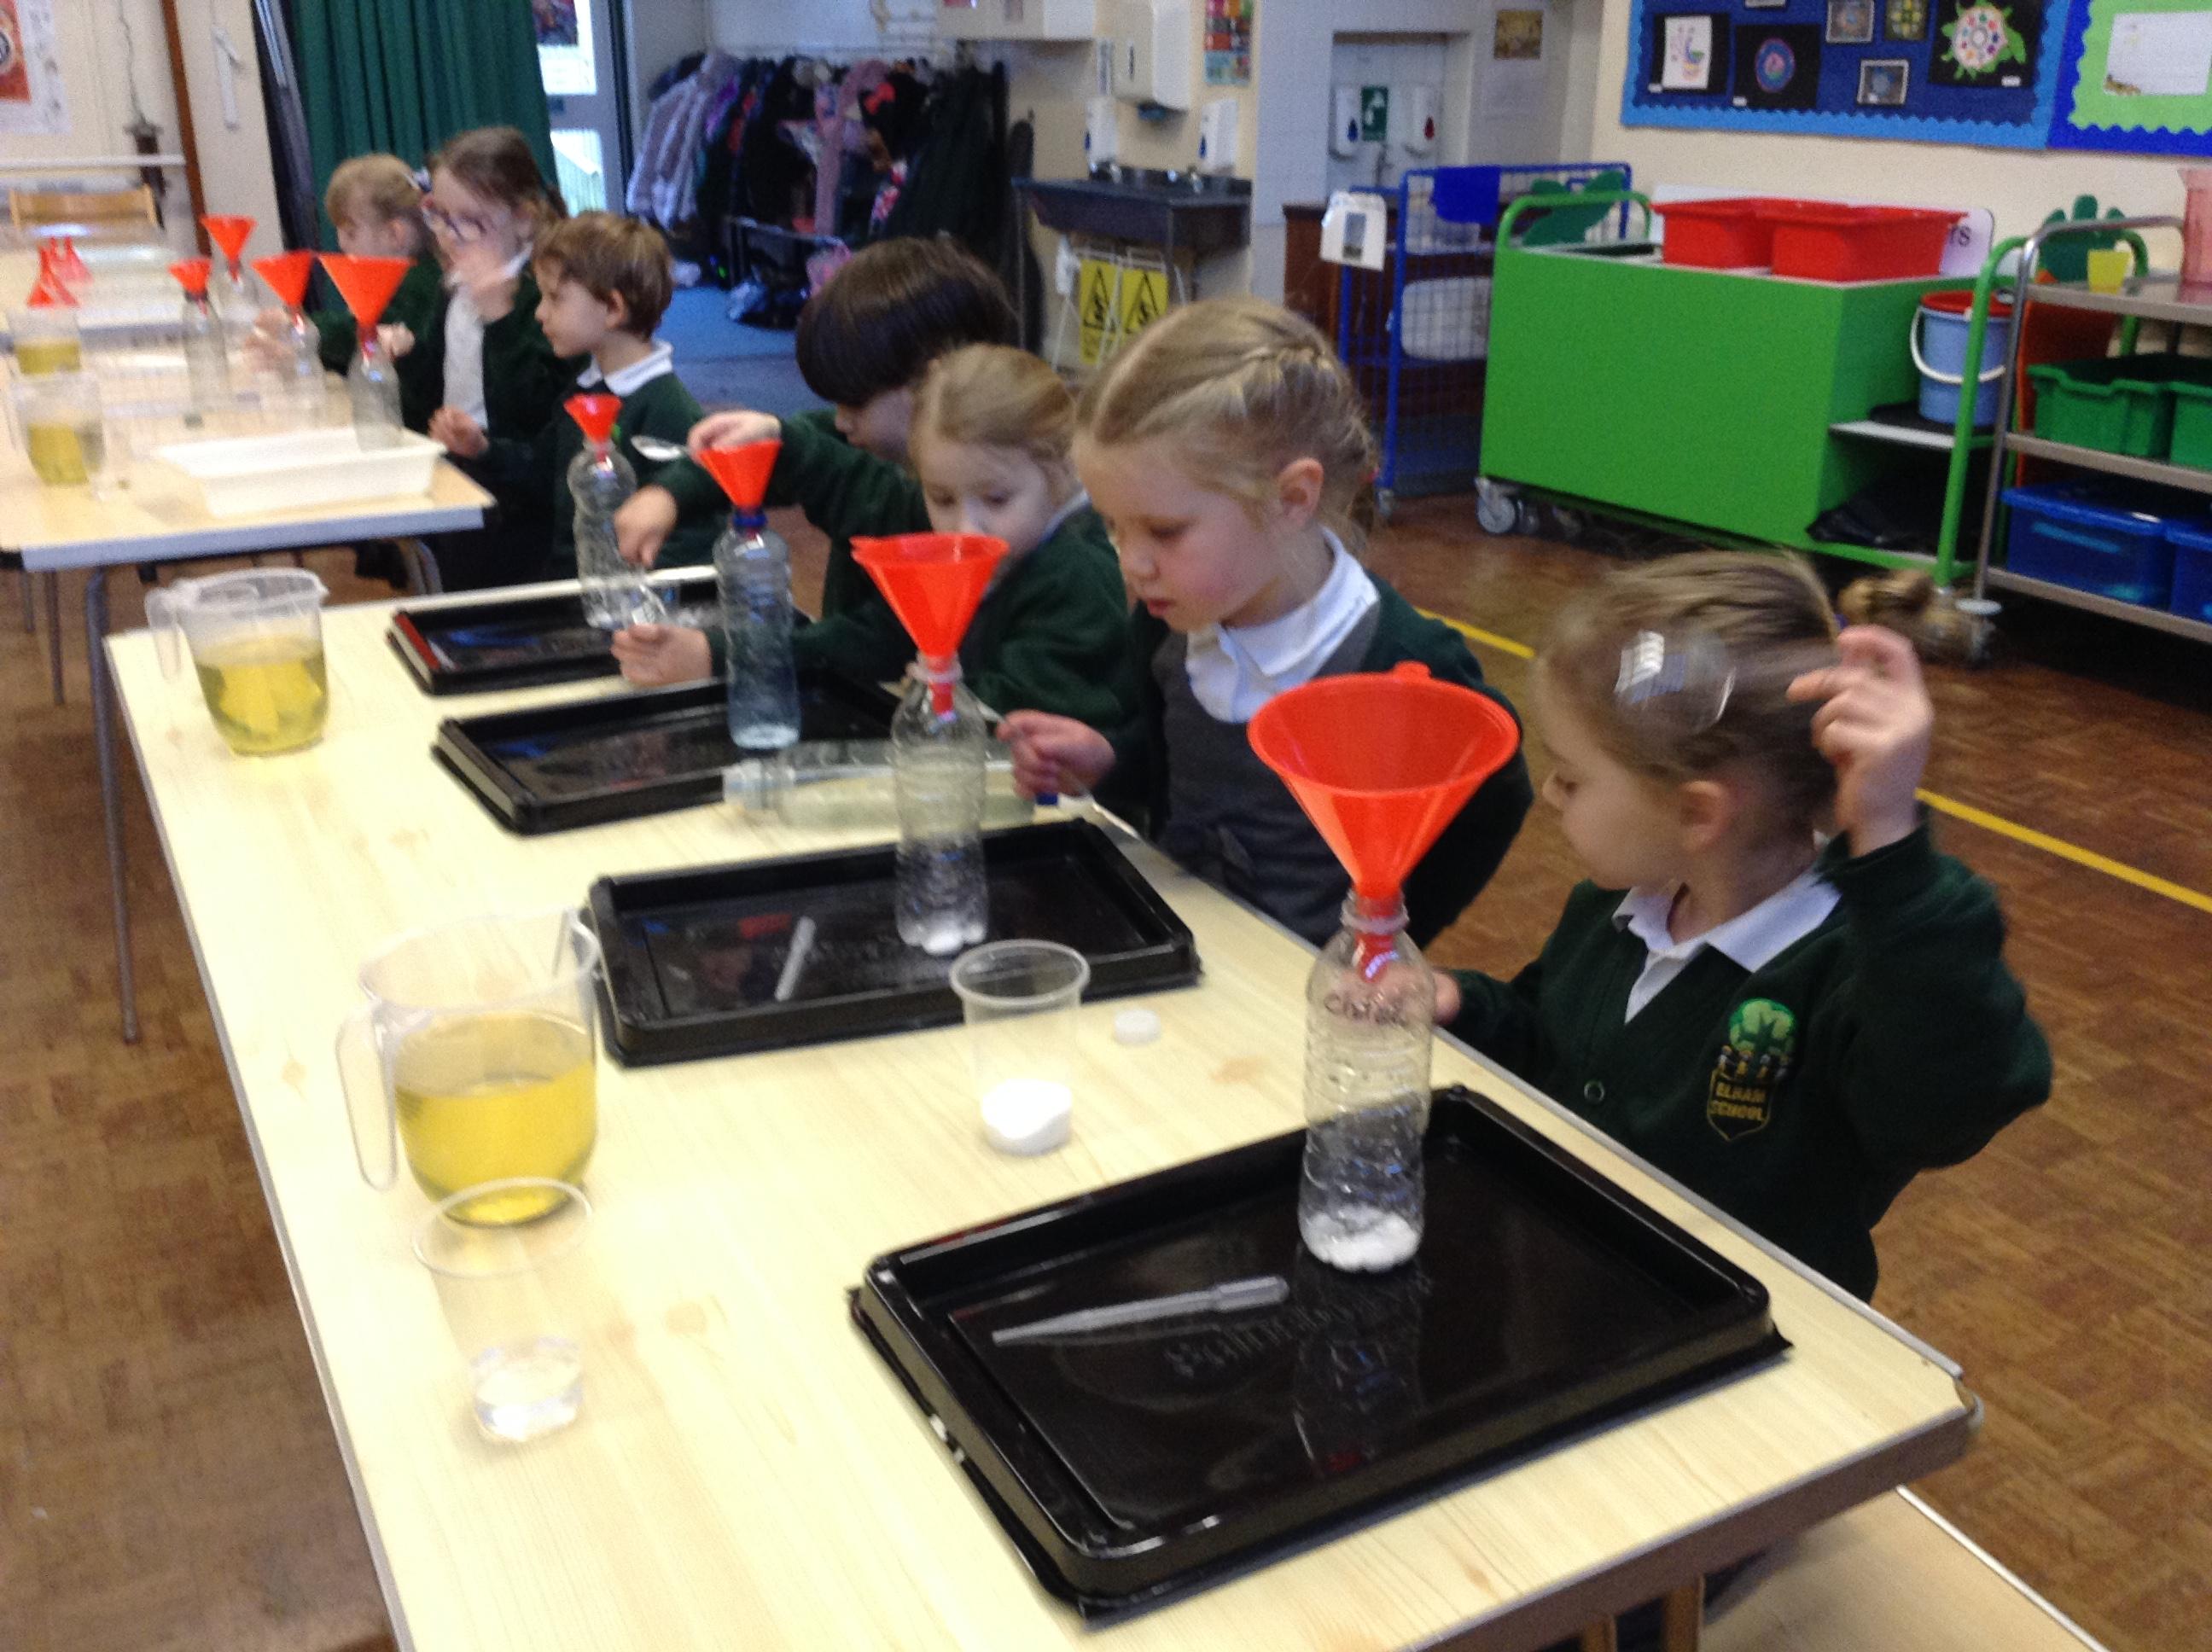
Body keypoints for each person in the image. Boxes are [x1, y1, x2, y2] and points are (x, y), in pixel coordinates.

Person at [1438, 550, 2051, 1301]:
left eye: (1572, 776)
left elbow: (1956, 1103)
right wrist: (1462, 1006)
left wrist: (1893, 847)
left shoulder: (1855, 971)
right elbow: (1548, 1044)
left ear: (1698, 812)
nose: (1551, 794)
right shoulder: (1620, 908)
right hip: (1574, 1283)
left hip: (1736, 1338)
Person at [999, 298, 1534, 948]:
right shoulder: (1170, 623)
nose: (1131, 562)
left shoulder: (1404, 661)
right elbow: (1176, 763)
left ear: (1290, 499)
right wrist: (1110, 760)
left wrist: (1392, 931)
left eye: (1164, 531)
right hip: (1181, 950)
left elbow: (1494, 801)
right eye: (1113, 525)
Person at [611, 345, 1132, 729]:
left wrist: (932, 696)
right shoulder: (965, 525)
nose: (965, 529)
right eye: (942, 499)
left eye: (996, 500)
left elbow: (1026, 723)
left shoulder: (1078, 578)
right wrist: (725, 655)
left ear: (1063, 471)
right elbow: (876, 636)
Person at [612, 235, 1017, 644]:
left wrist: (719, 651)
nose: (842, 420)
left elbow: (836, 476)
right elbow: (777, 455)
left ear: (931, 384)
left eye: (855, 403)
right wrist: (669, 494)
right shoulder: (865, 439)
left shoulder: (960, 508)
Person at [462, 212, 721, 579]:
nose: (539, 313)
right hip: (573, 583)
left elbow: (693, 535)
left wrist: (625, 582)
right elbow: (545, 470)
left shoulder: (666, 408)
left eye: (555, 299)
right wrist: (484, 449)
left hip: (621, 596)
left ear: (613, 309)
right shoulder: (585, 388)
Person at [410, 126, 584, 590]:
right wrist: (406, 357)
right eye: (441, 217)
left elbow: (534, 405)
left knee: (497, 596)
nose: (450, 236)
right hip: (463, 466)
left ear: (523, 220)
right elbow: (433, 385)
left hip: (520, 495)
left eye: (470, 221)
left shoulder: (542, 298)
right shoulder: (454, 286)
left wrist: (501, 318)